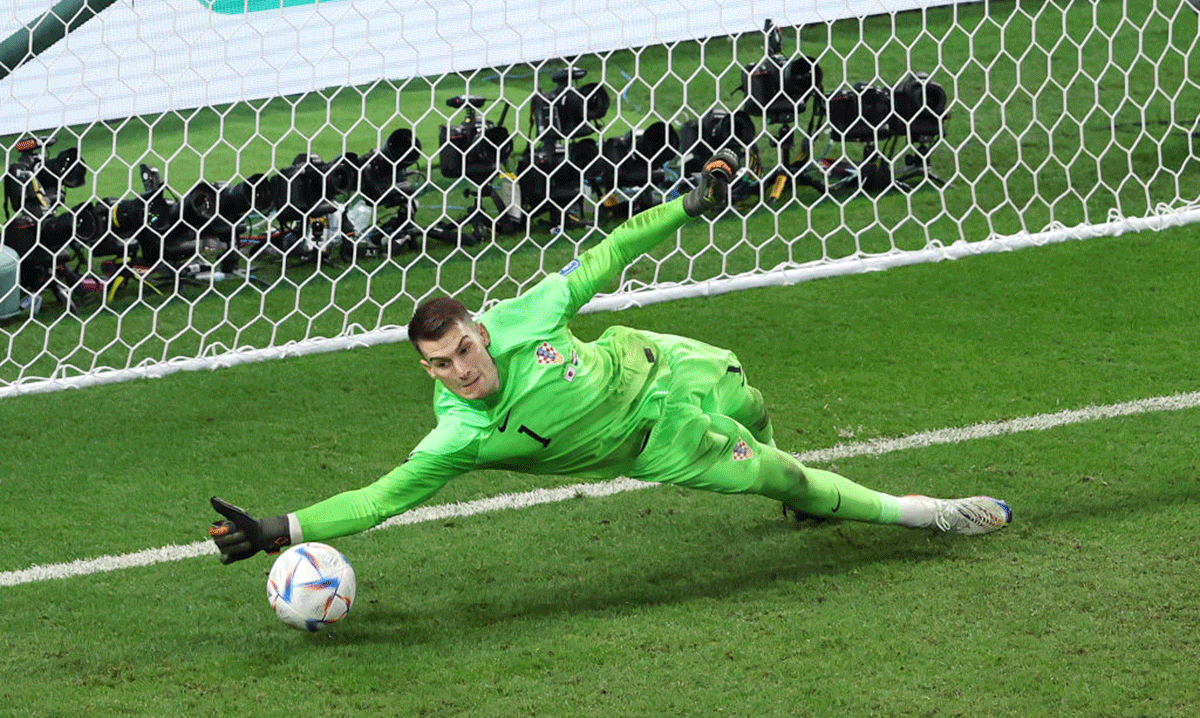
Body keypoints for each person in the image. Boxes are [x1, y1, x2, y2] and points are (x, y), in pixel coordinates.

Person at [208, 149, 1011, 564]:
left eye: (463, 349)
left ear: (480, 332)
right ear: (428, 371)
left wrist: (687, 206)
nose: (462, 369)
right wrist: (287, 525)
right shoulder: (457, 437)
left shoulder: (524, 316)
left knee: (750, 398)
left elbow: (608, 252)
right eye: (443, 364)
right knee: (784, 473)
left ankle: (765, 439)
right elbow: (378, 499)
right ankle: (929, 514)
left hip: (658, 360)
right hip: (656, 443)